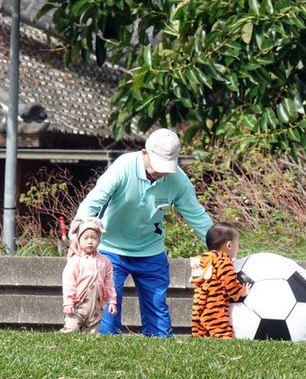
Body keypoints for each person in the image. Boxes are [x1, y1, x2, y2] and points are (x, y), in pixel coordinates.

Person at [72, 128, 213, 337]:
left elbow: (197, 215)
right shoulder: (123, 167)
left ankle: (162, 363)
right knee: (107, 321)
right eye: (158, 165)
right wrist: (76, 240)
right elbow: (93, 202)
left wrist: (221, 250)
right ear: (144, 153)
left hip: (151, 251)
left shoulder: (178, 181)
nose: (161, 172)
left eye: (167, 167)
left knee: (159, 318)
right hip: (110, 249)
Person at [189, 222, 252, 338]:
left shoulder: (204, 259)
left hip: (198, 307)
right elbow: (230, 282)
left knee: (200, 335)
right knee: (222, 333)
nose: (238, 247)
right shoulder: (224, 261)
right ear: (229, 245)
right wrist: (240, 292)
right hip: (214, 308)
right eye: (237, 244)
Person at [61, 217, 117, 333]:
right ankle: (58, 344)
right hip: (77, 306)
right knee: (71, 328)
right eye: (85, 238)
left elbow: (109, 283)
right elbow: (68, 283)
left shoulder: (105, 261)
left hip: (96, 306)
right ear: (78, 239)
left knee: (92, 333)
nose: (90, 241)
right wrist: (68, 303)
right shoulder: (75, 261)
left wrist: (112, 301)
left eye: (94, 238)